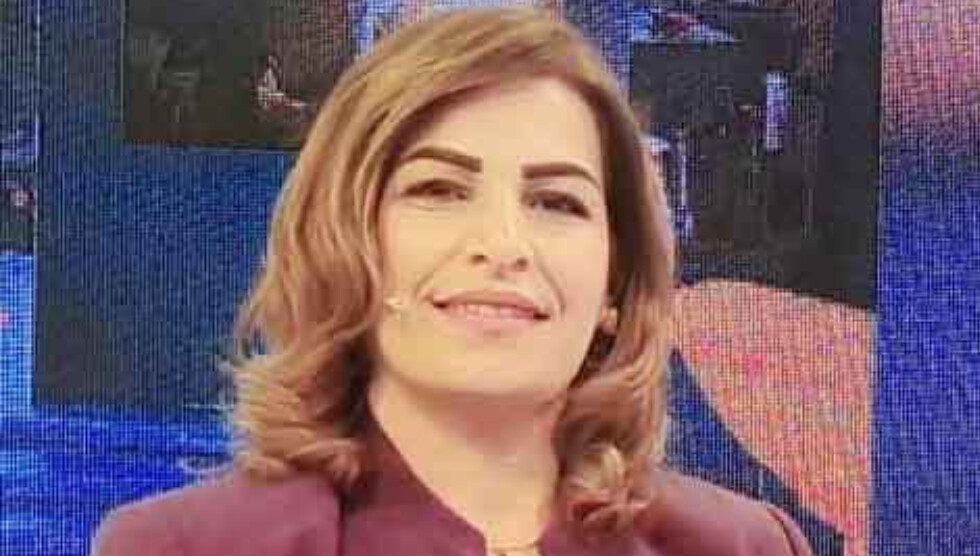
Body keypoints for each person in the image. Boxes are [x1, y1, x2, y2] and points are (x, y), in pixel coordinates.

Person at [90, 8, 814, 556]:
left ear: (614, 283)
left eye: (556, 202)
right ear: (348, 242)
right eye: (438, 191)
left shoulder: (742, 546)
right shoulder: (183, 547)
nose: (502, 246)